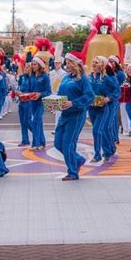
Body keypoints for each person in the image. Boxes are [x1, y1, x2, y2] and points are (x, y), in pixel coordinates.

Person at [54, 51, 94, 181]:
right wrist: (54, 103)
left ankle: (72, 172)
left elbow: (90, 96)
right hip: (64, 114)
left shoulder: (82, 79)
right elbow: (61, 94)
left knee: (67, 144)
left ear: (75, 64)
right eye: (66, 62)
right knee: (58, 143)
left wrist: (73, 103)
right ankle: (78, 160)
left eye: (69, 62)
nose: (67, 64)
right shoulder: (66, 77)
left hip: (76, 115)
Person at [88, 56, 120, 163]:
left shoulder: (107, 78)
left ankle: (100, 154)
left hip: (104, 108)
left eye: (96, 62)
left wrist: (108, 98)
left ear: (102, 64)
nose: (93, 64)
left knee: (97, 130)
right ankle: (110, 149)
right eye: (93, 62)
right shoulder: (89, 77)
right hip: (91, 108)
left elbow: (117, 91)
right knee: (100, 130)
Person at [29, 56, 52, 151]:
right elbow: (30, 89)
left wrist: (40, 94)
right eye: (32, 64)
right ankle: (42, 143)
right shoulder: (32, 76)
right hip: (33, 102)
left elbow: (48, 91)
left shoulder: (45, 76)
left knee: (35, 122)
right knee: (39, 123)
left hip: (41, 102)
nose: (33, 66)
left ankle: (35, 144)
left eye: (34, 64)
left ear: (39, 65)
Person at [108, 55, 125, 144]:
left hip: (115, 97)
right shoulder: (108, 72)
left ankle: (115, 137)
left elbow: (118, 85)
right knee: (110, 117)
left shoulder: (120, 74)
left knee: (114, 117)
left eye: (112, 61)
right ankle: (112, 136)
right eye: (109, 61)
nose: (110, 63)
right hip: (108, 97)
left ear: (116, 63)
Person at [16, 61, 32, 146]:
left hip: (29, 102)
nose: (25, 69)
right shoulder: (22, 77)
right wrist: (17, 91)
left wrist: (24, 94)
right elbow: (18, 86)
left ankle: (38, 135)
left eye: (27, 67)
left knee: (27, 121)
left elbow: (33, 91)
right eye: (25, 67)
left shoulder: (32, 78)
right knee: (22, 122)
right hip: (21, 101)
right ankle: (25, 140)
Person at [49, 55, 67, 130]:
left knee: (59, 113)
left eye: (58, 63)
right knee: (56, 112)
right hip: (53, 93)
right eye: (55, 63)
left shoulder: (64, 73)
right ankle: (57, 127)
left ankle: (57, 128)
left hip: (60, 94)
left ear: (61, 63)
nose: (56, 64)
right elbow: (50, 83)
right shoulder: (51, 73)